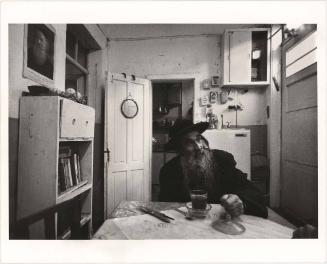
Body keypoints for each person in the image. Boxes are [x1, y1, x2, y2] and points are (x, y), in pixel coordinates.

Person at [159, 119, 268, 218]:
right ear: (180, 150)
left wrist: (241, 202)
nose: (199, 147)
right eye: (189, 143)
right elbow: (166, 208)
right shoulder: (169, 172)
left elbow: (252, 193)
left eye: (198, 139)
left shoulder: (222, 160)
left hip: (221, 224)